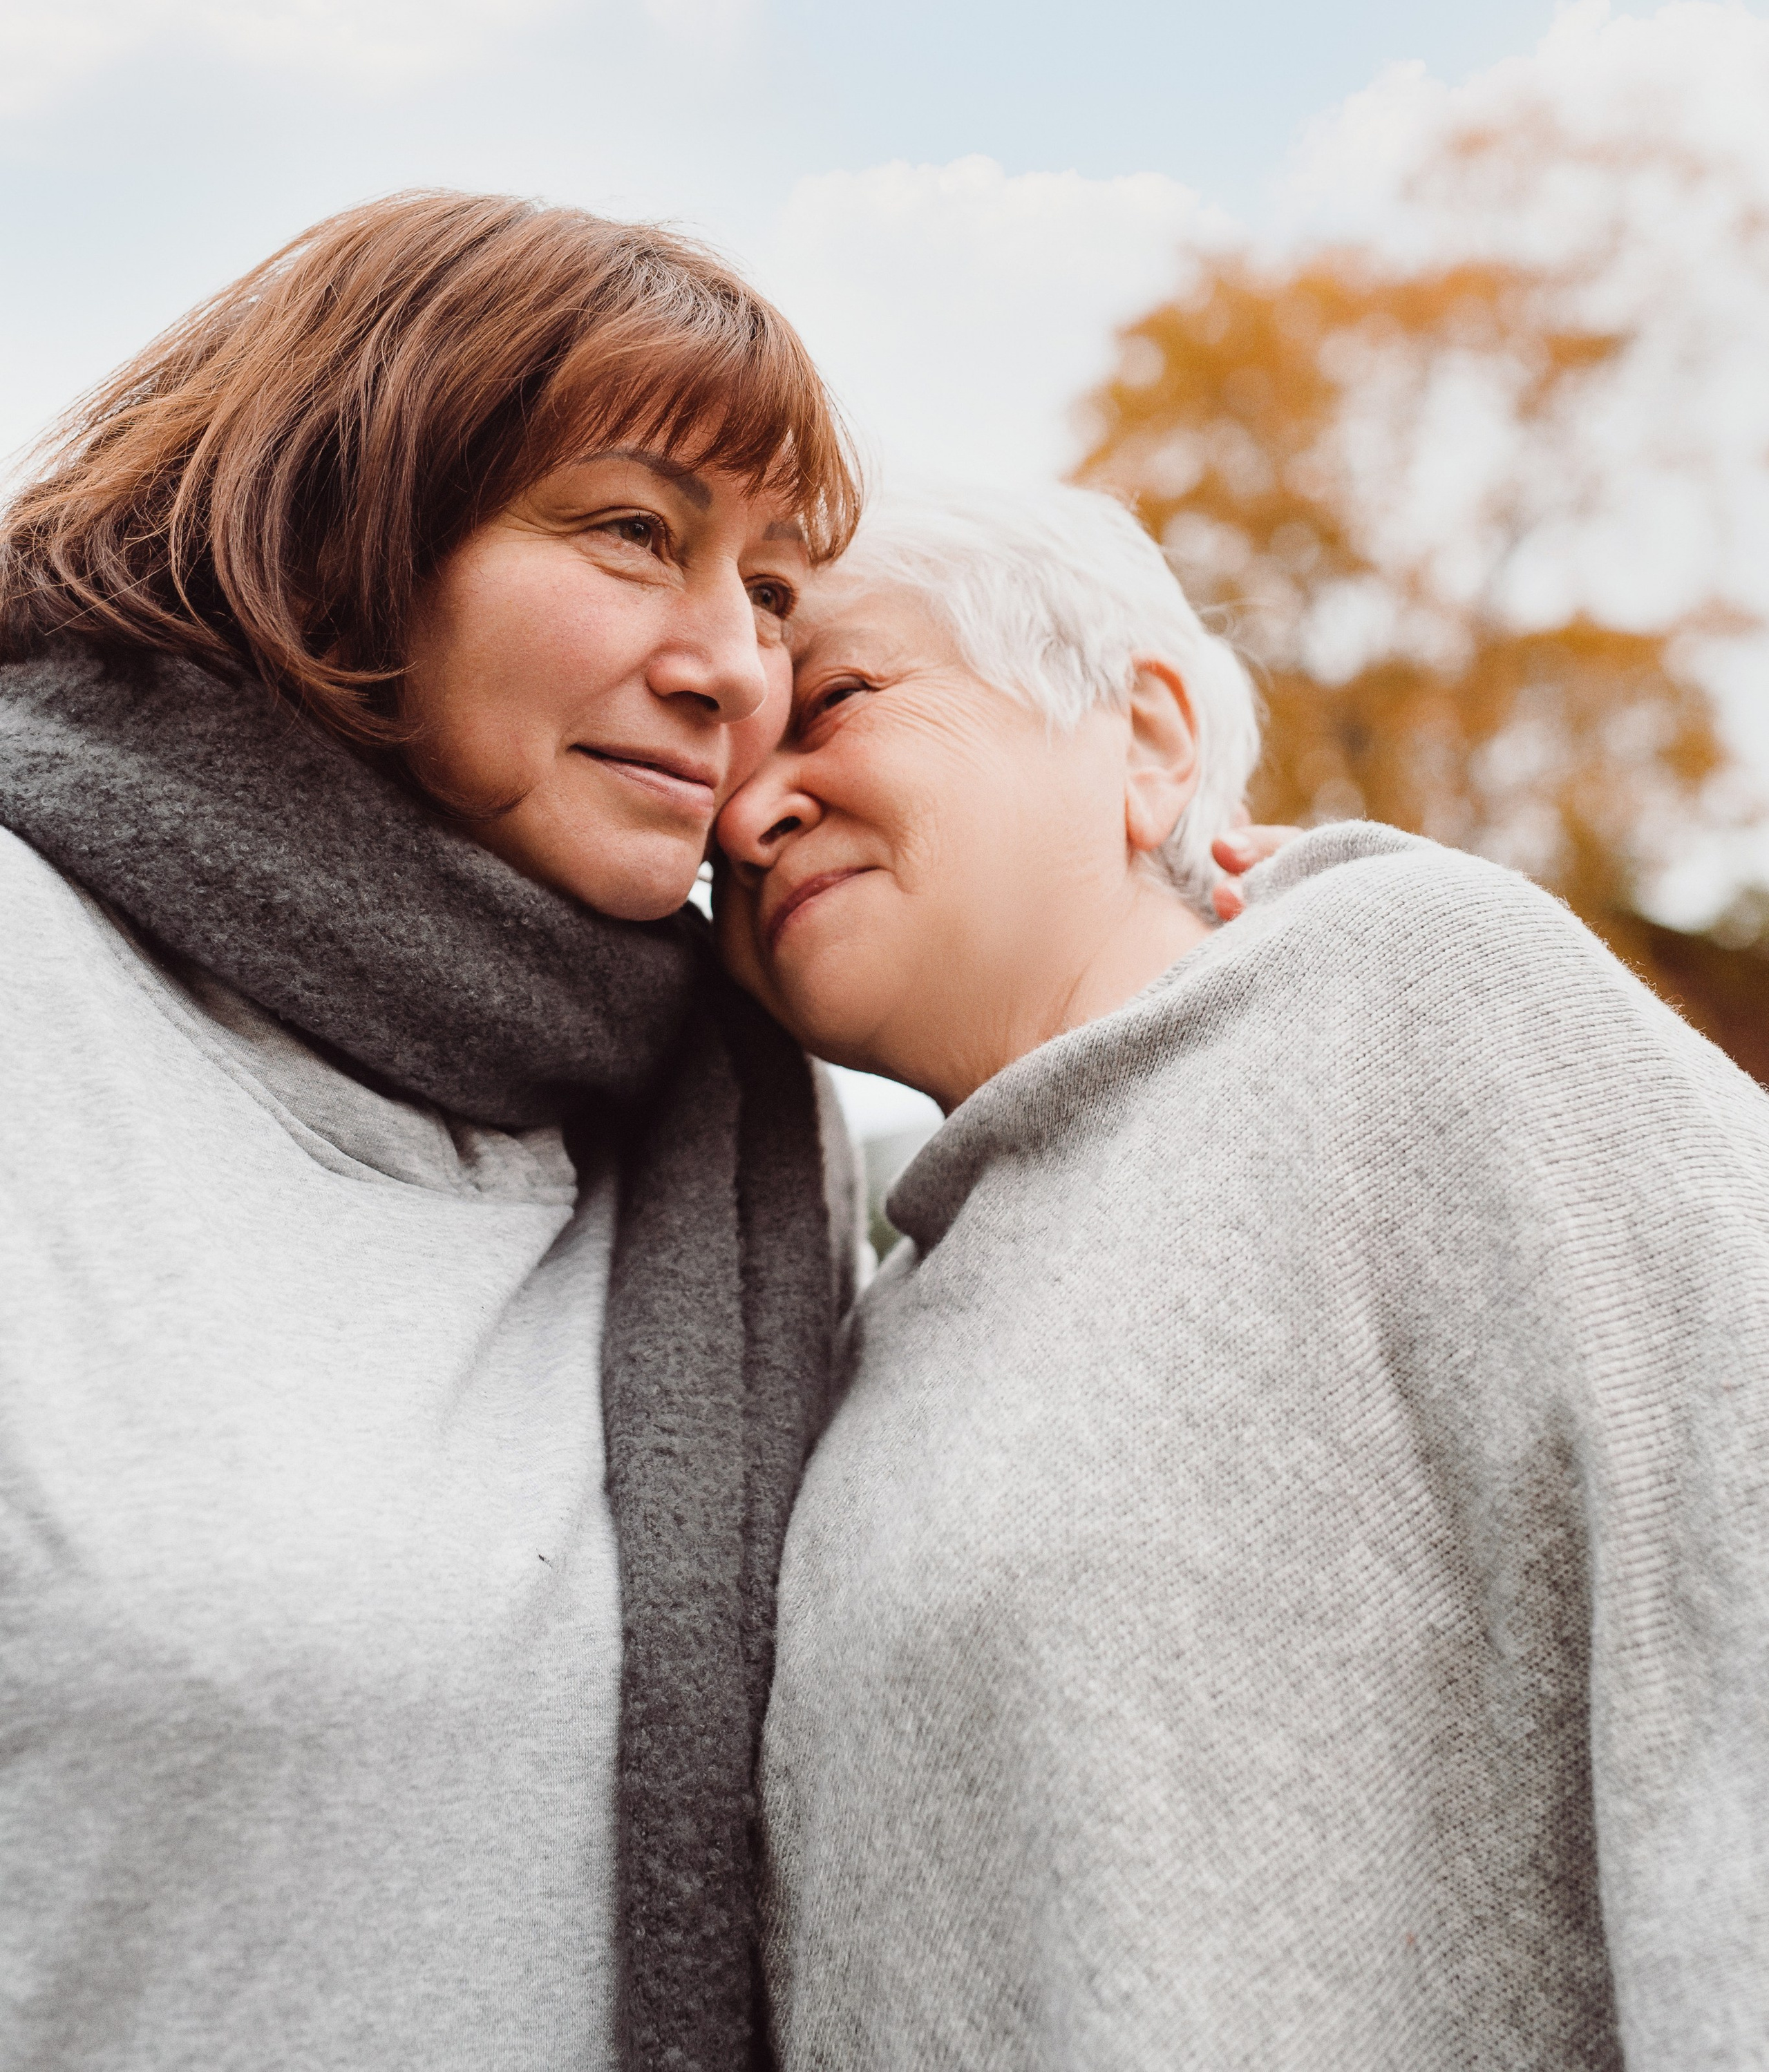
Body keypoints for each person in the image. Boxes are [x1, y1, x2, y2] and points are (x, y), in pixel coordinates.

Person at [715, 482, 1769, 2071]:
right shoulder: (865, 1333)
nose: (746, 818)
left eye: (835, 702)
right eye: (721, 795)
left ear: (1142, 737)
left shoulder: (1414, 991)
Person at [0, 190, 869, 2072]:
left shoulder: (742, 1122)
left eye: (774, 592)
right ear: (341, 526)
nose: (734, 669)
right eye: (633, 532)